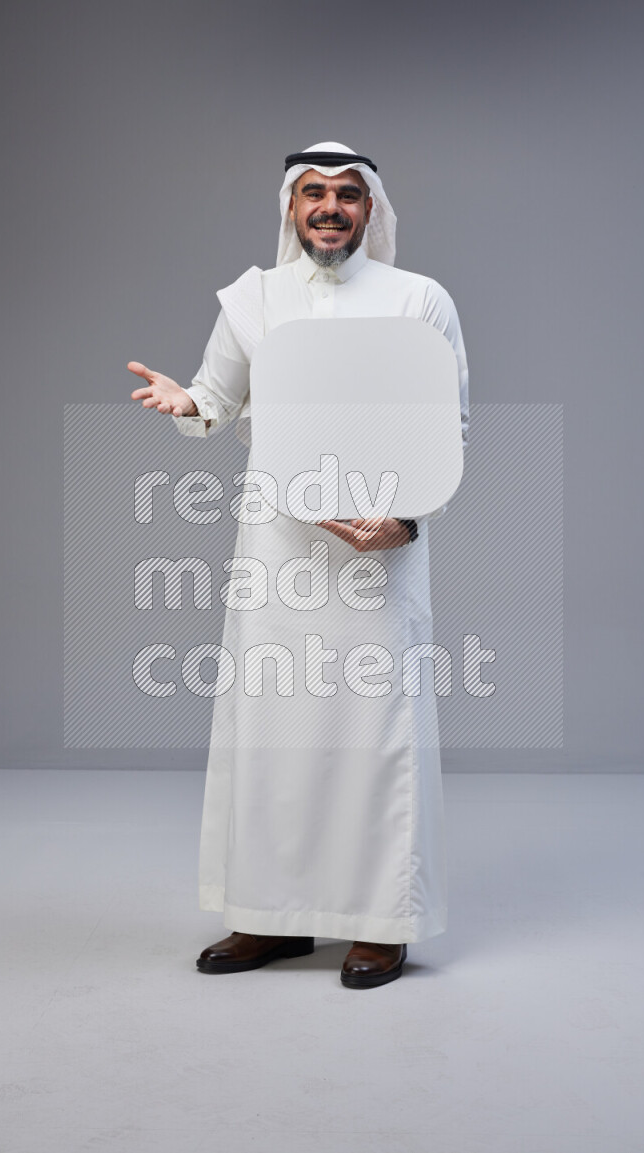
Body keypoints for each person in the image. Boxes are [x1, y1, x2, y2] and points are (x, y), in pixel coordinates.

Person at [128, 142, 469, 988]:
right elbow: (215, 400)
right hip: (279, 544)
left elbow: (449, 425)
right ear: (290, 206)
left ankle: (381, 922)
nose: (329, 207)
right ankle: (270, 916)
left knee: (374, 732)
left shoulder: (418, 299)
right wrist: (185, 402)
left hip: (378, 547)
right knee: (271, 730)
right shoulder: (253, 299)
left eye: (347, 194)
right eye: (313, 192)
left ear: (370, 209)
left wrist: (403, 521)